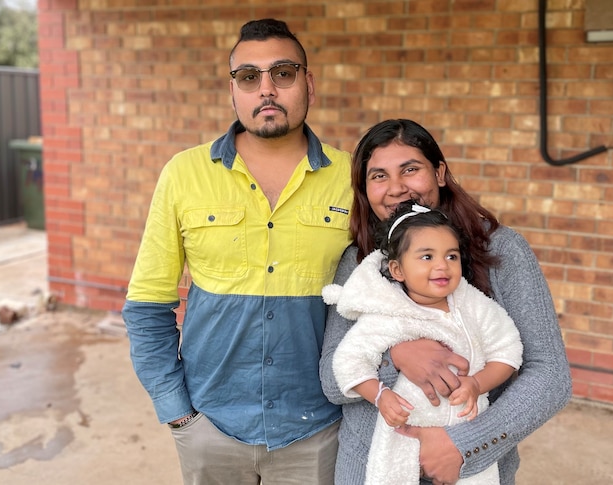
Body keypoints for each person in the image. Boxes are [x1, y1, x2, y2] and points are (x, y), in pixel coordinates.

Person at [122, 18, 353, 484]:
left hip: (318, 428)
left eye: (282, 73)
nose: (266, 89)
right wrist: (178, 414)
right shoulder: (184, 174)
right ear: (233, 90)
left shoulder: (353, 177)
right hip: (211, 427)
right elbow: (147, 304)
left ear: (308, 83)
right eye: (249, 77)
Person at [319, 119, 572, 485]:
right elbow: (331, 378)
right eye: (378, 176)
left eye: (410, 169)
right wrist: (397, 357)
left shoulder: (501, 250)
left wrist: (465, 445)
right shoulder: (360, 262)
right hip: (371, 468)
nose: (396, 188)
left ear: (439, 172)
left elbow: (550, 375)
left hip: (470, 468)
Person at [323, 200, 523, 485]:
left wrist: (478, 383)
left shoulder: (476, 307)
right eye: (427, 257)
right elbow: (348, 361)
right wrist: (379, 395)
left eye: (451, 256)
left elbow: (508, 349)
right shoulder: (388, 315)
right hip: (401, 442)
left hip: (463, 438)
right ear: (398, 270)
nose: (442, 265)